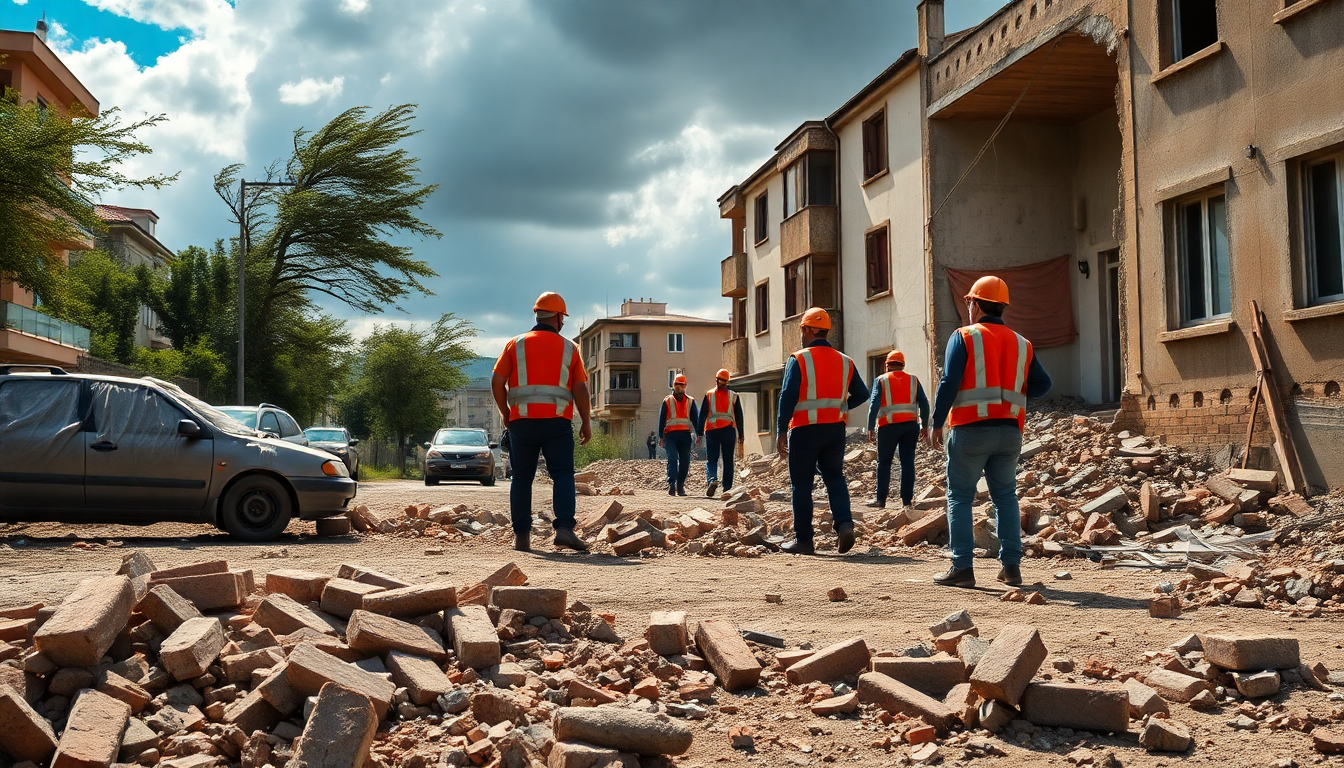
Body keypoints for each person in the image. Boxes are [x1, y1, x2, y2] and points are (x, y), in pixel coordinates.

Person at [929, 276, 1052, 588]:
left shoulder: (964, 336)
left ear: (975, 304)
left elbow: (949, 382)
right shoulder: (1022, 343)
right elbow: (1043, 385)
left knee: (959, 497)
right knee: (1005, 496)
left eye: (969, 301)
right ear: (1002, 307)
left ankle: (962, 569)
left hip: (970, 429)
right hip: (1009, 431)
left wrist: (935, 422)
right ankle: (1011, 567)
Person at [491, 291, 591, 553]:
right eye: (562, 318)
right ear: (558, 317)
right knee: (563, 475)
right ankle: (565, 529)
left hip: (522, 423)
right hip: (556, 423)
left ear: (537, 314)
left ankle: (522, 537)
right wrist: (586, 421)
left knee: (521, 479)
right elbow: (581, 388)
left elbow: (497, 381)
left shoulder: (516, 344)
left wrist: (505, 412)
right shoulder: (570, 348)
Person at [776, 308, 869, 555]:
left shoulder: (799, 359)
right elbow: (863, 393)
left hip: (805, 429)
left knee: (802, 485)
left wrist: (780, 430)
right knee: (835, 477)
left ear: (807, 330)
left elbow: (787, 396)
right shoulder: (845, 361)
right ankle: (845, 523)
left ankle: (805, 540)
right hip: (835, 430)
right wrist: (841, 407)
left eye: (802, 330)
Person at [865, 350, 929, 510]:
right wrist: (925, 426)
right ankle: (907, 501)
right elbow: (925, 404)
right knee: (907, 463)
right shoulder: (913, 380)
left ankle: (880, 500)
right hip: (910, 426)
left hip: (888, 427)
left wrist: (870, 427)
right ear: (903, 365)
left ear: (887, 366)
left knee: (884, 462)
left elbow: (874, 404)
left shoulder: (881, 380)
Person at [698, 368, 745, 498]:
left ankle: (712, 480)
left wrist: (699, 432)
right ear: (727, 381)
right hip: (728, 430)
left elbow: (702, 414)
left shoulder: (709, 394)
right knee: (728, 460)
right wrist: (741, 434)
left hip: (712, 430)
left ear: (716, 380)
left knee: (712, 459)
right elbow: (739, 416)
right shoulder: (734, 396)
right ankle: (727, 488)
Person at [658, 374, 700, 496]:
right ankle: (672, 484)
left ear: (685, 386)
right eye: (677, 384)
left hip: (685, 435)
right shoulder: (667, 401)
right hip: (670, 435)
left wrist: (699, 434)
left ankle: (680, 486)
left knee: (685, 461)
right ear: (673, 385)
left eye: (681, 385)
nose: (679, 387)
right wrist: (661, 436)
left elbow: (695, 420)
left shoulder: (690, 401)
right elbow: (661, 420)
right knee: (672, 459)